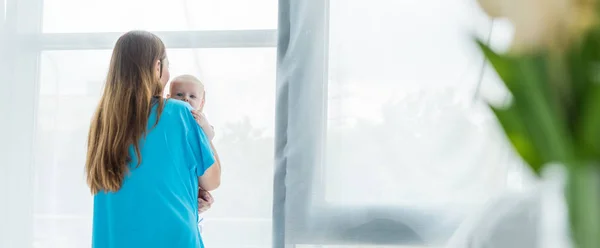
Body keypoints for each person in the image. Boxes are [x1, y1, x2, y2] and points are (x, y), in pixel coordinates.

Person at [85, 30, 221, 248]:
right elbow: (212, 180)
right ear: (157, 67)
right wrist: (206, 133)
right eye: (167, 65)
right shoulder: (179, 113)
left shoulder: (103, 122)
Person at [167, 74, 215, 234]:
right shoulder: (166, 120)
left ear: (201, 103)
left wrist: (203, 126)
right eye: (179, 95)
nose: (185, 99)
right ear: (168, 98)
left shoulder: (199, 120)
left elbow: (210, 136)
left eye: (192, 96)